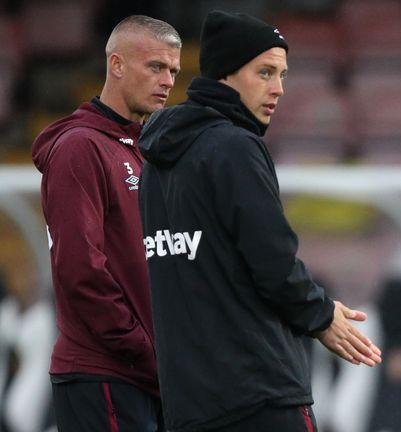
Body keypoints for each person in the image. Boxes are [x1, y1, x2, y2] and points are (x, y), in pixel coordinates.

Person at [137, 10, 382, 431]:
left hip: (188, 404)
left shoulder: (155, 164)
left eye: (283, 74)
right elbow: (272, 262)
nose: (279, 88)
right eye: (265, 72)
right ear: (225, 75)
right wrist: (320, 315)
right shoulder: (234, 147)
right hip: (257, 394)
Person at [30, 15, 181, 431]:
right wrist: (144, 349)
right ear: (116, 65)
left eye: (173, 71)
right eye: (155, 66)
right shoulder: (81, 148)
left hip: (148, 375)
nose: (167, 81)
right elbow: (81, 271)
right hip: (106, 374)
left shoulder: (144, 150)